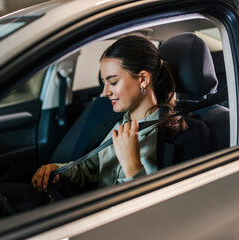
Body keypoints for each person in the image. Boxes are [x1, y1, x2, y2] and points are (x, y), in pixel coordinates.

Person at [32, 35, 210, 192]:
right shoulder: (113, 123)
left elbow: (173, 212)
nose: (105, 92)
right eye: (104, 83)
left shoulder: (189, 134)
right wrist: (59, 171)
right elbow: (91, 169)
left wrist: (132, 166)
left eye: (113, 82)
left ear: (142, 79)